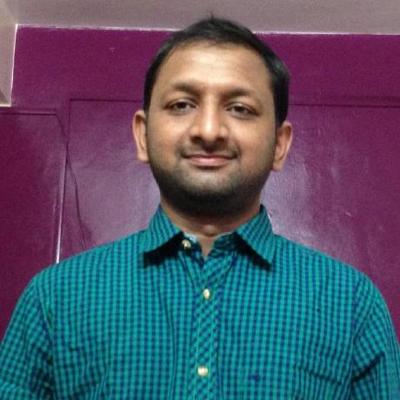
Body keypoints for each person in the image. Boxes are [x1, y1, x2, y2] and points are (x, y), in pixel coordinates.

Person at [0, 17, 399, 400]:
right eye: (181, 105)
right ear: (142, 135)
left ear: (279, 144)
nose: (209, 131)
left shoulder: (351, 305)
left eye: (240, 108)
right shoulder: (54, 299)